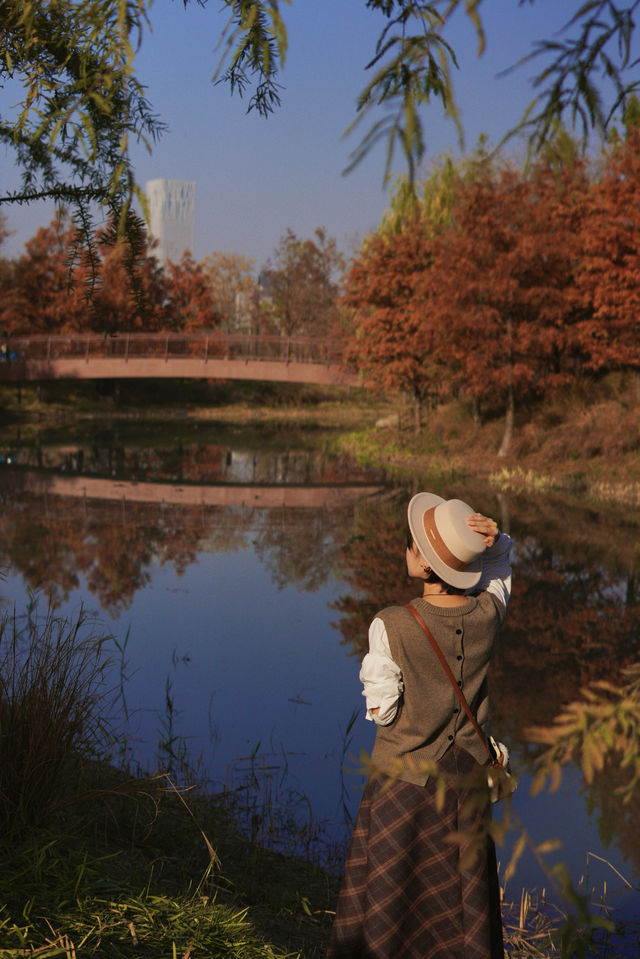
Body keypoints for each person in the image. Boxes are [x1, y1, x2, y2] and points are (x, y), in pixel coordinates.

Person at [327, 492, 512, 959]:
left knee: (392, 903)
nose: (407, 548)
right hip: (467, 781)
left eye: (413, 546)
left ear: (427, 567)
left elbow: (384, 712)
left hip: (404, 787)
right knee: (460, 899)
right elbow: (499, 574)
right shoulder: (490, 613)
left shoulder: (391, 624)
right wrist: (492, 541)